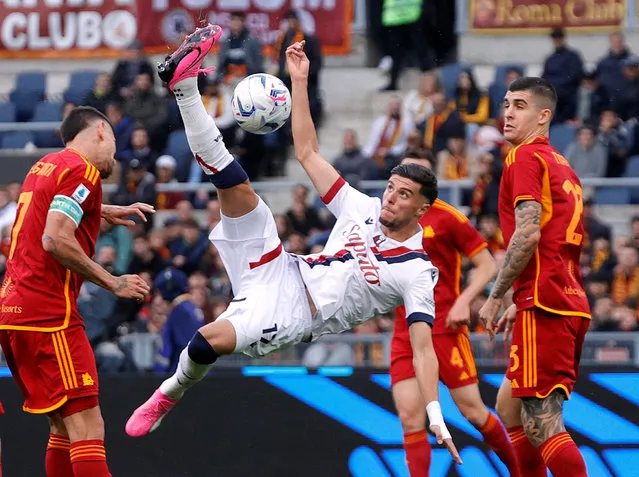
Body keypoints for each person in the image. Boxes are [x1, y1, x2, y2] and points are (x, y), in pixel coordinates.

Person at [124, 25, 461, 464]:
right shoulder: (361, 206)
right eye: (390, 188)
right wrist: (298, 81)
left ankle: (171, 391)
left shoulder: (417, 270)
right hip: (281, 265)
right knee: (234, 183)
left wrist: (435, 410)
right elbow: (307, 153)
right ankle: (186, 88)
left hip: (294, 313)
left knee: (207, 342)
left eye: (402, 195)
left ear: (422, 209)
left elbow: (422, 346)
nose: (390, 198)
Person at [0, 106, 152, 477]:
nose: (115, 154)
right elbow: (54, 238)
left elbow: (46, 211)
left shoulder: (46, 165)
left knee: (64, 428)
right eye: (114, 141)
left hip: (13, 311)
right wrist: (112, 281)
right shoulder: (83, 170)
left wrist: (101, 209)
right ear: (100, 130)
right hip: (49, 315)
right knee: (88, 428)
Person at [478, 77, 591, 477]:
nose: (508, 112)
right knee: (509, 406)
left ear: (544, 116)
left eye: (520, 105)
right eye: (507, 103)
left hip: (546, 303)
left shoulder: (523, 158)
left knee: (542, 421)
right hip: (563, 298)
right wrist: (518, 298)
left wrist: (497, 295)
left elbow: (528, 234)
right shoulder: (562, 164)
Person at [391, 154, 516, 477]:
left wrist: (464, 300)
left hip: (444, 327)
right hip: (405, 330)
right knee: (409, 417)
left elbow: (488, 264)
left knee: (473, 412)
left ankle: (521, 471)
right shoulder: (388, 217)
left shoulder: (448, 218)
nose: (408, 179)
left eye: (416, 173)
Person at [153, 267, 205, 373]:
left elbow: (170, 349)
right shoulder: (189, 306)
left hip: (182, 375)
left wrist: (159, 373)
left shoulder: (180, 310)